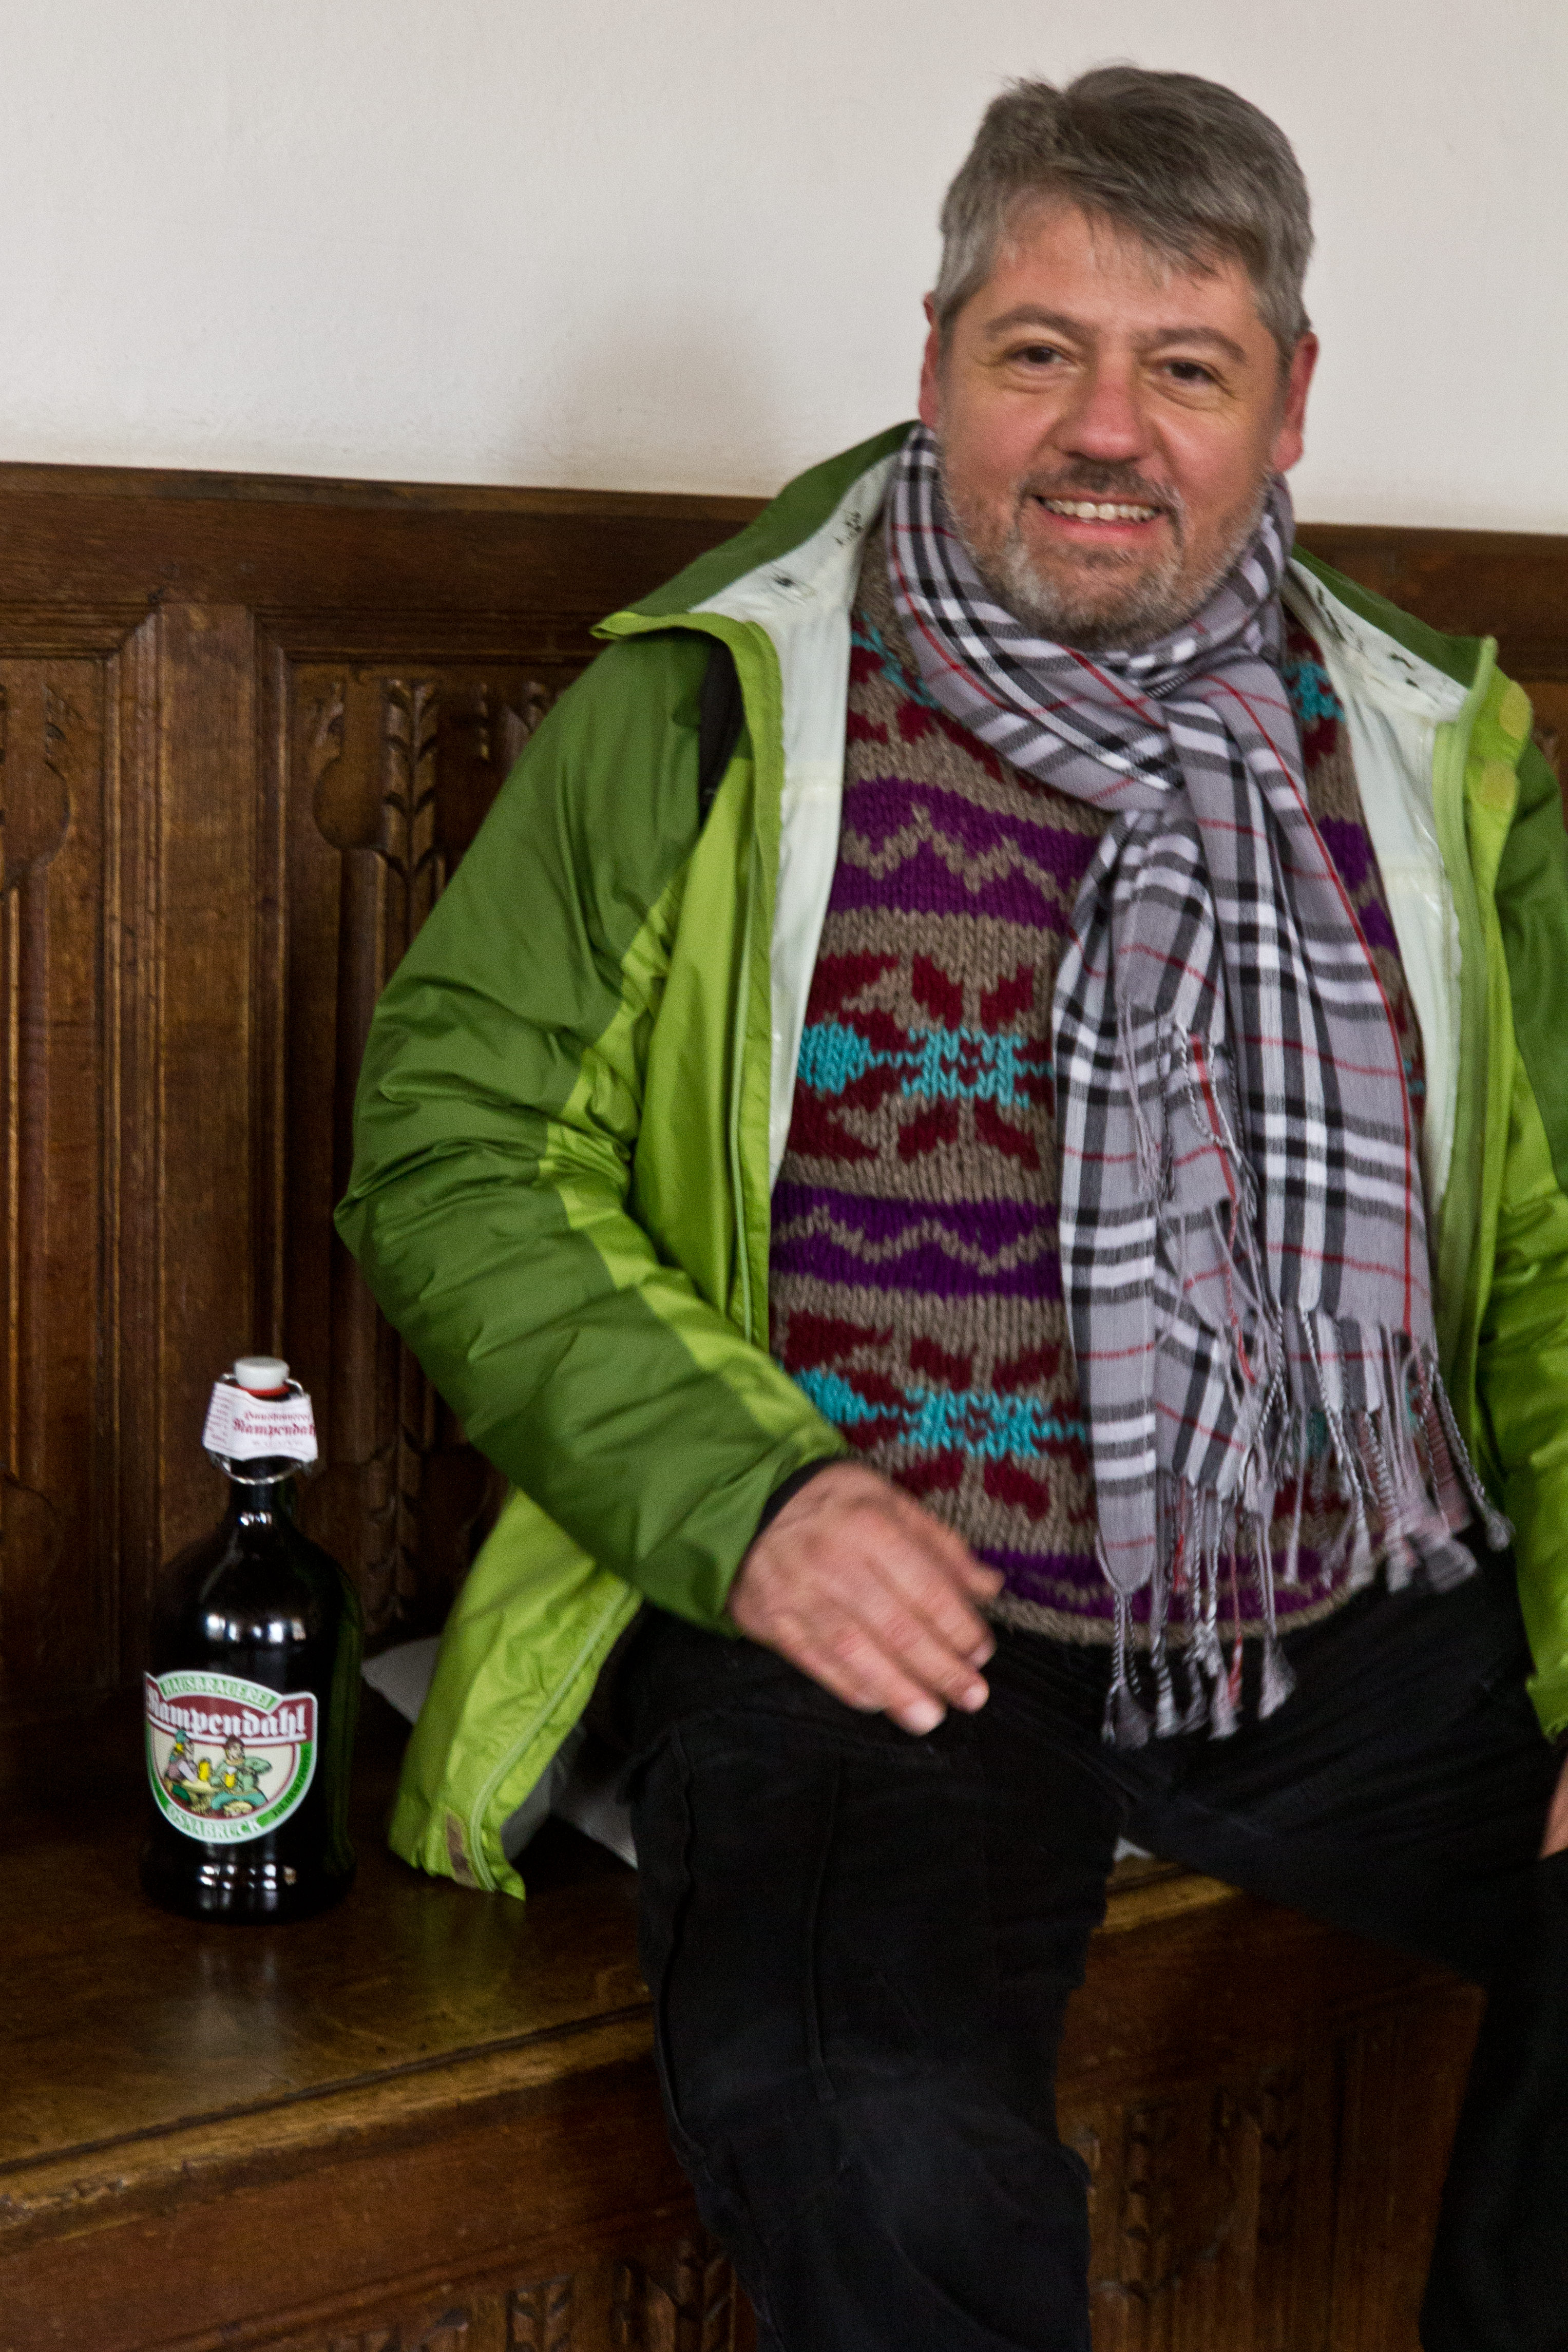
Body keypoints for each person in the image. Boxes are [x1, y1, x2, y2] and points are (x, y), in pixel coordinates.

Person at [337, 67, 1568, 2351]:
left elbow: (1564, 1253)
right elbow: (452, 1139)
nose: (1105, 432)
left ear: (1290, 403)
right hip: (877, 1595)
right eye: (1039, 352)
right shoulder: (717, 701)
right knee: (871, 2128)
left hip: (1337, 1581)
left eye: (1183, 366)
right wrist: (754, 1504)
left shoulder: (1421, 747)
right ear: (930, 362)